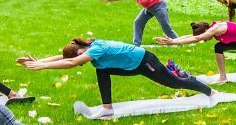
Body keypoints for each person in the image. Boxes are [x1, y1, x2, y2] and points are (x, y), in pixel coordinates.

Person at [19, 37, 215, 117]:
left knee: (174, 83)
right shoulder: (86, 47)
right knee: (101, 70)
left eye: (80, 58)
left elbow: (71, 63)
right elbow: (66, 58)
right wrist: (41, 61)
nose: (83, 60)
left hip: (144, 61)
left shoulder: (96, 48)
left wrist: (42, 67)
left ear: (80, 52)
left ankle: (209, 91)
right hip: (130, 66)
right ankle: (107, 108)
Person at [97, 0, 177, 46]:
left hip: (158, 6)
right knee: (138, 22)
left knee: (166, 27)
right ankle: (136, 44)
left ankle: (177, 41)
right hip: (148, 7)